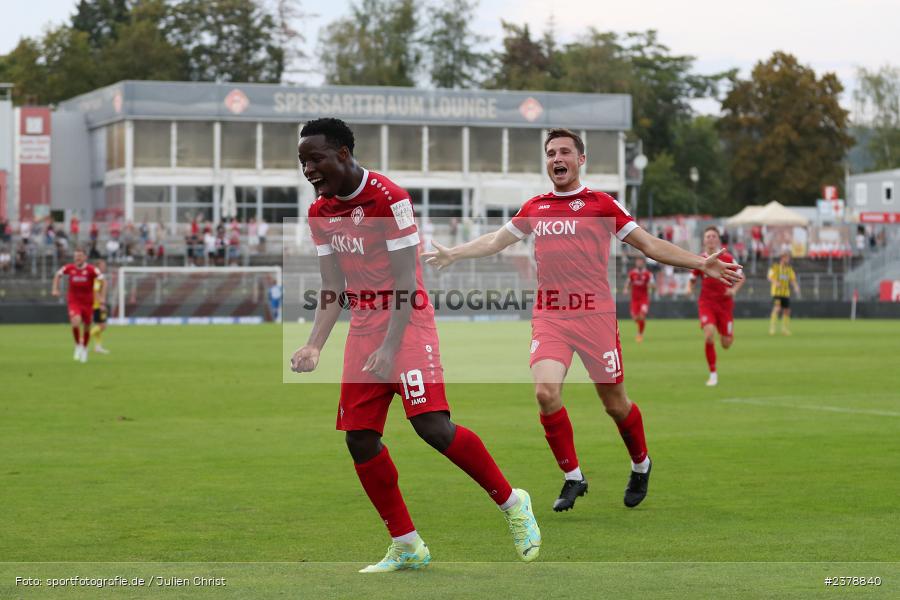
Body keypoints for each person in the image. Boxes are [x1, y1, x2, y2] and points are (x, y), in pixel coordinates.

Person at [423, 129, 742, 513]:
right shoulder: (536, 207)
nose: (557, 158)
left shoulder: (602, 204)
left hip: (596, 318)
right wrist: (454, 254)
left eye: (564, 152)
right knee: (545, 393)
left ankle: (641, 463)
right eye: (551, 153)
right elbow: (495, 240)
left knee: (614, 404)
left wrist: (700, 263)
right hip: (551, 316)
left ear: (580, 160)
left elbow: (650, 245)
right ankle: (573, 476)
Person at [290, 118, 541, 573]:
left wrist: (389, 348)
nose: (308, 169)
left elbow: (406, 281)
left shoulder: (390, 199)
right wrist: (314, 345)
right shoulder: (319, 212)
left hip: (408, 323)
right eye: (302, 161)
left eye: (316, 158)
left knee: (432, 427)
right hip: (365, 326)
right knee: (360, 439)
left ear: (343, 153)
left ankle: (512, 502)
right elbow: (332, 285)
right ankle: (407, 545)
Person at [685, 227, 745, 387]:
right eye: (708, 236)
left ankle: (726, 331)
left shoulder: (727, 257)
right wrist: (689, 288)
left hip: (725, 305)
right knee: (709, 335)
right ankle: (713, 374)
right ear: (704, 240)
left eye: (713, 236)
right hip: (707, 303)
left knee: (726, 344)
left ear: (718, 239)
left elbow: (741, 277)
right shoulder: (700, 259)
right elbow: (692, 278)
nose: (710, 239)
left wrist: (733, 290)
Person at [51, 247, 103, 363]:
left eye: (79, 256)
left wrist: (100, 295)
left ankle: (84, 348)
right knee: (75, 321)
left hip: (88, 302)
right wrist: (55, 288)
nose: (77, 258)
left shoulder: (92, 270)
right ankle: (77, 345)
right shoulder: (69, 268)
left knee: (87, 326)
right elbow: (58, 274)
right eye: (75, 256)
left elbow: (102, 279)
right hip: (74, 301)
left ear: (85, 257)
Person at [767, 252, 800, 336]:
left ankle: (784, 329)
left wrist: (796, 287)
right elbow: (769, 277)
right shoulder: (775, 267)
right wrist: (776, 282)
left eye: (788, 258)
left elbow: (792, 280)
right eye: (786, 258)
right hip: (777, 292)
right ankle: (772, 328)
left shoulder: (789, 269)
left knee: (787, 311)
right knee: (777, 308)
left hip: (786, 293)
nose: (788, 260)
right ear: (782, 258)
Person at [623, 256, 654, 342]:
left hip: (644, 299)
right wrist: (626, 289)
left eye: (640, 261)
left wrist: (651, 287)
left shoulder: (648, 274)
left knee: (642, 316)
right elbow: (628, 282)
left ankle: (640, 334)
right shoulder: (632, 273)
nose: (639, 263)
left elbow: (653, 284)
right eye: (637, 261)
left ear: (643, 263)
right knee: (635, 317)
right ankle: (640, 326)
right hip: (634, 299)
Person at [90, 259, 111, 353]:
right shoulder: (98, 277)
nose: (104, 267)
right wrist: (101, 303)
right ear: (98, 267)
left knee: (99, 325)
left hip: (96, 304)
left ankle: (98, 347)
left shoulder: (99, 277)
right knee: (103, 326)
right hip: (97, 305)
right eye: (103, 265)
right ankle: (84, 338)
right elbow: (95, 291)